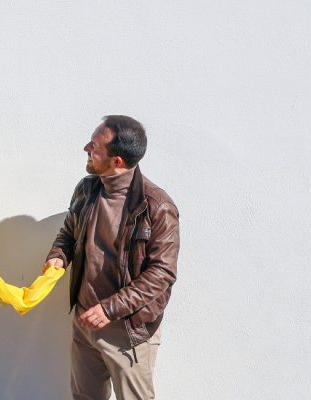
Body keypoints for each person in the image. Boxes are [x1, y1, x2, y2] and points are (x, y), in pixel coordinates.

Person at [43, 115, 180, 400]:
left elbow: (162, 274)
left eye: (94, 146)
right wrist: (59, 255)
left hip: (127, 332)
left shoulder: (158, 206)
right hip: (84, 322)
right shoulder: (87, 188)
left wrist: (109, 310)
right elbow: (69, 232)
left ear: (116, 161)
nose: (86, 149)